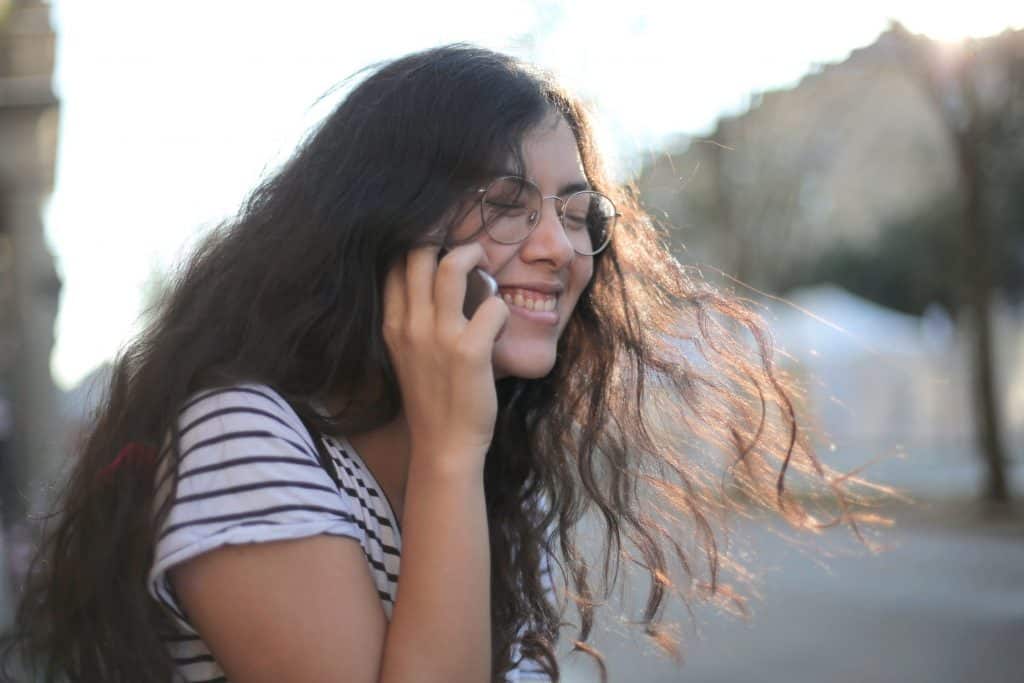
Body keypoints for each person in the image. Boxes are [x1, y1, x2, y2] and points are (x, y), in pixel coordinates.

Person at [3, 44, 867, 682]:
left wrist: (458, 454)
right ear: (382, 223)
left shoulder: (490, 468)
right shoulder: (247, 433)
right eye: (504, 204)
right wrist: (452, 451)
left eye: (576, 212)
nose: (559, 248)